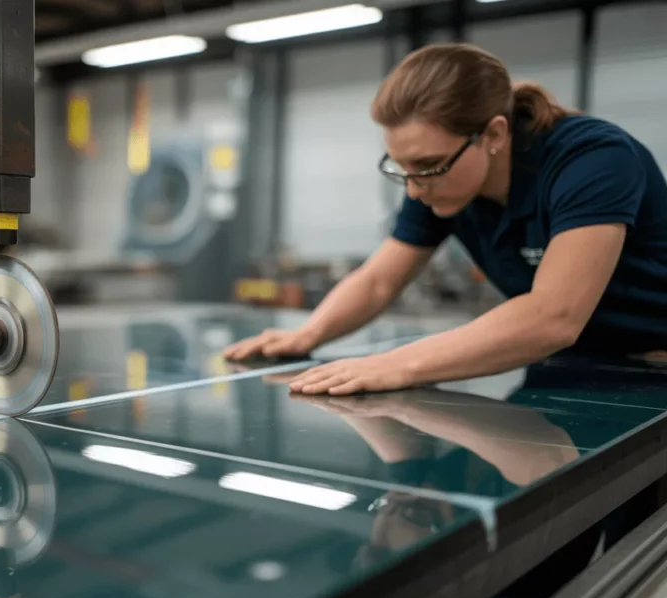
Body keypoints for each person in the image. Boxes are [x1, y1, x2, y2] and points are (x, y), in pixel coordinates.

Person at [224, 43, 667, 394]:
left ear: (493, 134)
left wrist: (396, 364)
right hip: (565, 361)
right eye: (403, 167)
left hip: (652, 366)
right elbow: (379, 280)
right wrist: (308, 335)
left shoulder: (592, 159)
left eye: (427, 165)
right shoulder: (441, 177)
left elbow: (552, 316)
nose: (414, 189)